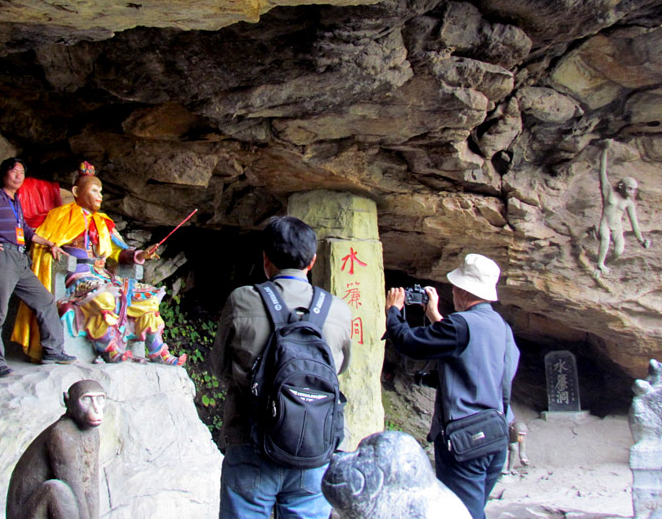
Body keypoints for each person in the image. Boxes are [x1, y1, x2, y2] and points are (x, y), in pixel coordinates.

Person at [210, 216, 352, 519]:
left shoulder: (242, 300)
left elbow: (220, 367)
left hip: (250, 440)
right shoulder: (338, 310)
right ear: (312, 261)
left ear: (266, 259)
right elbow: (338, 371)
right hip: (314, 448)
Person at [384, 253, 519, 519]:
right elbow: (471, 350)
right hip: (496, 435)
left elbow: (408, 341)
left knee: (461, 513)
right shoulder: (500, 326)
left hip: (464, 439)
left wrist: (393, 311)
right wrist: (435, 315)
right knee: (475, 507)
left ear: (462, 290)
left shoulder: (460, 325)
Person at [11, 162, 186, 366]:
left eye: (101, 191)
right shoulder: (60, 216)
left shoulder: (103, 222)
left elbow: (116, 251)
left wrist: (140, 254)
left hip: (103, 275)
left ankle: (157, 350)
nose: (100, 195)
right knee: (104, 297)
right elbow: (43, 246)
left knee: (147, 297)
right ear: (76, 191)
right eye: (94, 190)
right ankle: (108, 349)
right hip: (79, 276)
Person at [0, 157, 75, 378]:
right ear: (4, 175)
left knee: (45, 300)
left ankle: (53, 350)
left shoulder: (16, 203)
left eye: (21, 172)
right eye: (14, 172)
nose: (18, 176)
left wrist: (51, 243)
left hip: (21, 259)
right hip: (2, 257)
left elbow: (28, 233)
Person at [594, 141, 651, 277]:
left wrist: (640, 240)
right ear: (621, 186)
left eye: (634, 189)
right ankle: (600, 264)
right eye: (630, 188)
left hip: (617, 227)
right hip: (606, 224)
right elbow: (603, 172)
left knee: (619, 251)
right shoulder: (609, 193)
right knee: (605, 240)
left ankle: (602, 264)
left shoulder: (629, 203)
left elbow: (634, 222)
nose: (632, 192)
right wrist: (605, 151)